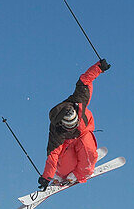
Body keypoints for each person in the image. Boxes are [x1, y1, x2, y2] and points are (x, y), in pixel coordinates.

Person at [38, 58, 111, 189]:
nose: (72, 127)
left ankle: (80, 172)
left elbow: (84, 81)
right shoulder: (57, 130)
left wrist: (99, 67)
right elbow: (52, 155)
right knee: (64, 166)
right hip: (69, 143)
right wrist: (46, 177)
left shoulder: (79, 101)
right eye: (69, 126)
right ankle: (63, 174)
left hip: (83, 134)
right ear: (62, 124)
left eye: (74, 123)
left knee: (87, 149)